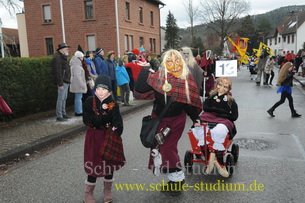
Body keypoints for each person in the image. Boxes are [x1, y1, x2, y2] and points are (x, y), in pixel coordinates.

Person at [135, 49, 202, 196]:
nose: (174, 64)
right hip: (158, 120)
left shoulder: (186, 80)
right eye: (169, 61)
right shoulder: (158, 77)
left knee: (167, 149)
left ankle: (178, 179)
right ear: (165, 63)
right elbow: (139, 88)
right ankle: (173, 180)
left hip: (176, 121)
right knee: (159, 149)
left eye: (177, 60)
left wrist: (196, 118)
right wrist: (145, 69)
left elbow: (189, 103)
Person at [83, 74, 125, 203]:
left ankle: (107, 190)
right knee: (94, 164)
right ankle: (88, 193)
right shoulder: (90, 101)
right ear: (95, 89)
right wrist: (104, 118)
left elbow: (118, 122)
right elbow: (88, 121)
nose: (100, 92)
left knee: (108, 164)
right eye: (98, 88)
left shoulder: (112, 103)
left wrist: (116, 131)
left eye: (104, 89)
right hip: (94, 137)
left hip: (108, 136)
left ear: (109, 90)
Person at [199, 77, 238, 177]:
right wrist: (220, 111)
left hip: (223, 119)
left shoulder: (231, 100)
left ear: (228, 89)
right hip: (208, 117)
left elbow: (234, 116)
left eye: (225, 86)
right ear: (216, 85)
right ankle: (209, 159)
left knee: (219, 130)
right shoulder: (211, 96)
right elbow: (205, 108)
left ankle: (219, 161)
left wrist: (220, 113)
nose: (222, 88)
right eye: (220, 84)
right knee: (197, 129)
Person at [51, 43, 72, 122]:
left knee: (64, 98)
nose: (68, 50)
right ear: (62, 50)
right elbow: (57, 72)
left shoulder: (63, 58)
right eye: (67, 49)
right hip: (62, 82)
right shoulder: (58, 58)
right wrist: (60, 83)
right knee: (60, 98)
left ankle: (63, 113)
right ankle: (59, 115)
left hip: (66, 81)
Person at [69, 51, 87, 116]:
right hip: (78, 84)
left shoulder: (75, 63)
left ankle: (78, 110)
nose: (83, 58)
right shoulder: (76, 65)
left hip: (76, 84)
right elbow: (77, 76)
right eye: (82, 57)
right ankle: (78, 111)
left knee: (78, 97)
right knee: (78, 97)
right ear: (79, 58)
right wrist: (82, 84)